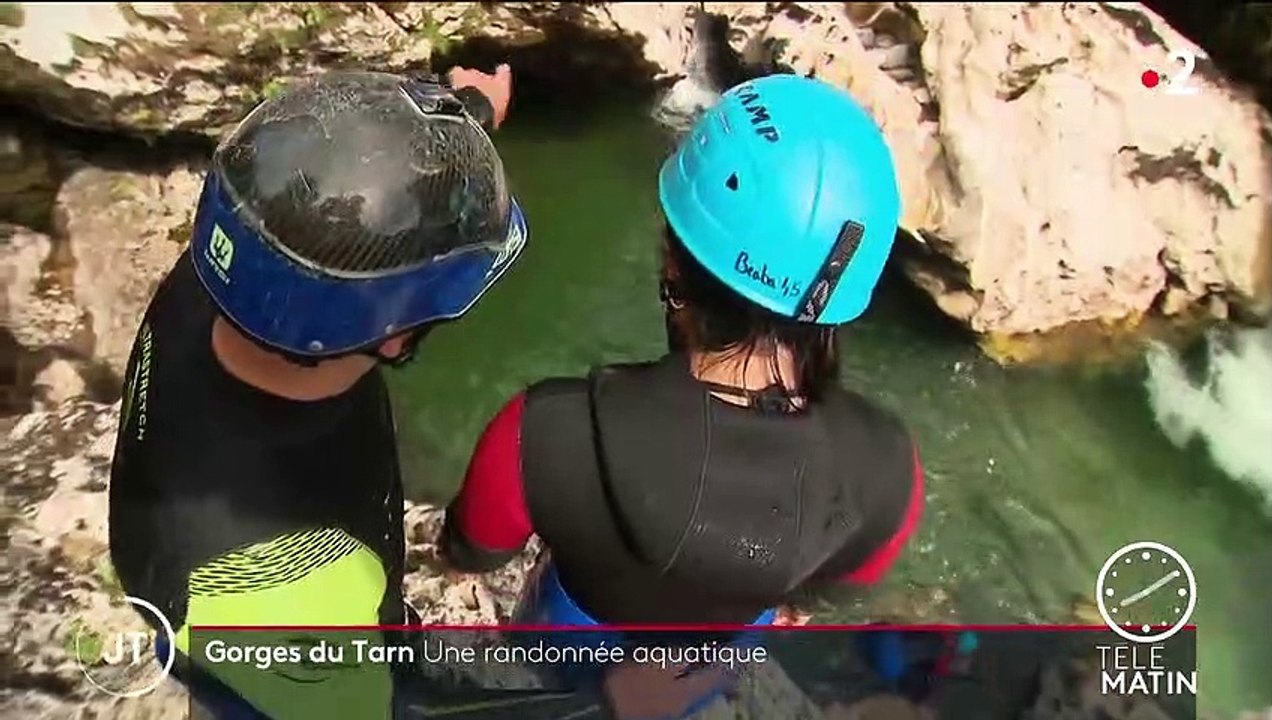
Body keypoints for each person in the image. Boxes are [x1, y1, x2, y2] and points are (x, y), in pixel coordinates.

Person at [108, 66, 521, 720]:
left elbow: (333, 213)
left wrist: (464, 113)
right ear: (391, 337)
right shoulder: (301, 579)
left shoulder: (223, 280)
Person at [439, 74, 924, 629]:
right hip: (714, 659)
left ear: (673, 259)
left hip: (569, 641)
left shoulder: (546, 433)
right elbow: (827, 594)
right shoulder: (889, 470)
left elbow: (469, 552)